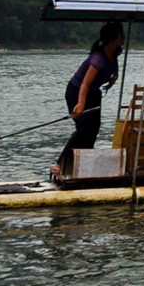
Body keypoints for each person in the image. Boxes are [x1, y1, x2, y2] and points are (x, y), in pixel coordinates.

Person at [56, 22, 125, 178]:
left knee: (94, 128)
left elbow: (114, 64)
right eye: (121, 35)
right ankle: (60, 164)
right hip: (77, 91)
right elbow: (85, 83)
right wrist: (80, 103)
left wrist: (114, 76)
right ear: (112, 38)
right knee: (84, 129)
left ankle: (84, 162)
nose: (124, 38)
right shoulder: (98, 59)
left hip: (94, 93)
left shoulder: (115, 51)